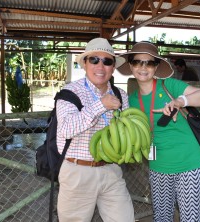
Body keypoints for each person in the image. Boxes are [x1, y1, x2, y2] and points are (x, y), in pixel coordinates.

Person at [118, 42, 200, 222]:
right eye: (137, 62)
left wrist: (179, 102)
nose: (143, 67)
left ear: (156, 67)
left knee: (192, 219)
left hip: (189, 165)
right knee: (161, 218)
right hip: (158, 168)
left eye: (149, 63)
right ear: (130, 65)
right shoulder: (131, 101)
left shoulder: (168, 86)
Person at [56, 38, 135, 222]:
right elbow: (67, 129)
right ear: (85, 63)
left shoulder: (120, 95)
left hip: (111, 170)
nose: (101, 66)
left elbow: (127, 131)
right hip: (78, 171)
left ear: (113, 67)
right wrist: (100, 105)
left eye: (107, 61)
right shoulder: (70, 92)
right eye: (94, 60)